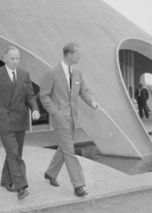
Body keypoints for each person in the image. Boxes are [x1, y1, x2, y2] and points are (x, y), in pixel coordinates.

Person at [40, 42, 99, 197]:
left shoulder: (77, 72)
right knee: (70, 151)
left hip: (73, 119)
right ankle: (78, 185)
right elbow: (43, 95)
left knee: (64, 148)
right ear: (69, 54)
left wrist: (92, 101)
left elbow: (84, 90)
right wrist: (55, 113)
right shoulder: (52, 72)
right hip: (60, 119)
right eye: (78, 53)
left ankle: (51, 173)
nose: (80, 56)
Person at [0, 46, 40, 200]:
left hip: (20, 119)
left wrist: (34, 109)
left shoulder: (24, 74)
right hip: (4, 119)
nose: (15, 61)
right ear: (5, 58)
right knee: (13, 153)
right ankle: (21, 186)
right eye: (12, 58)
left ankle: (5, 180)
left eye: (17, 58)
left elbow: (30, 96)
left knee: (15, 153)